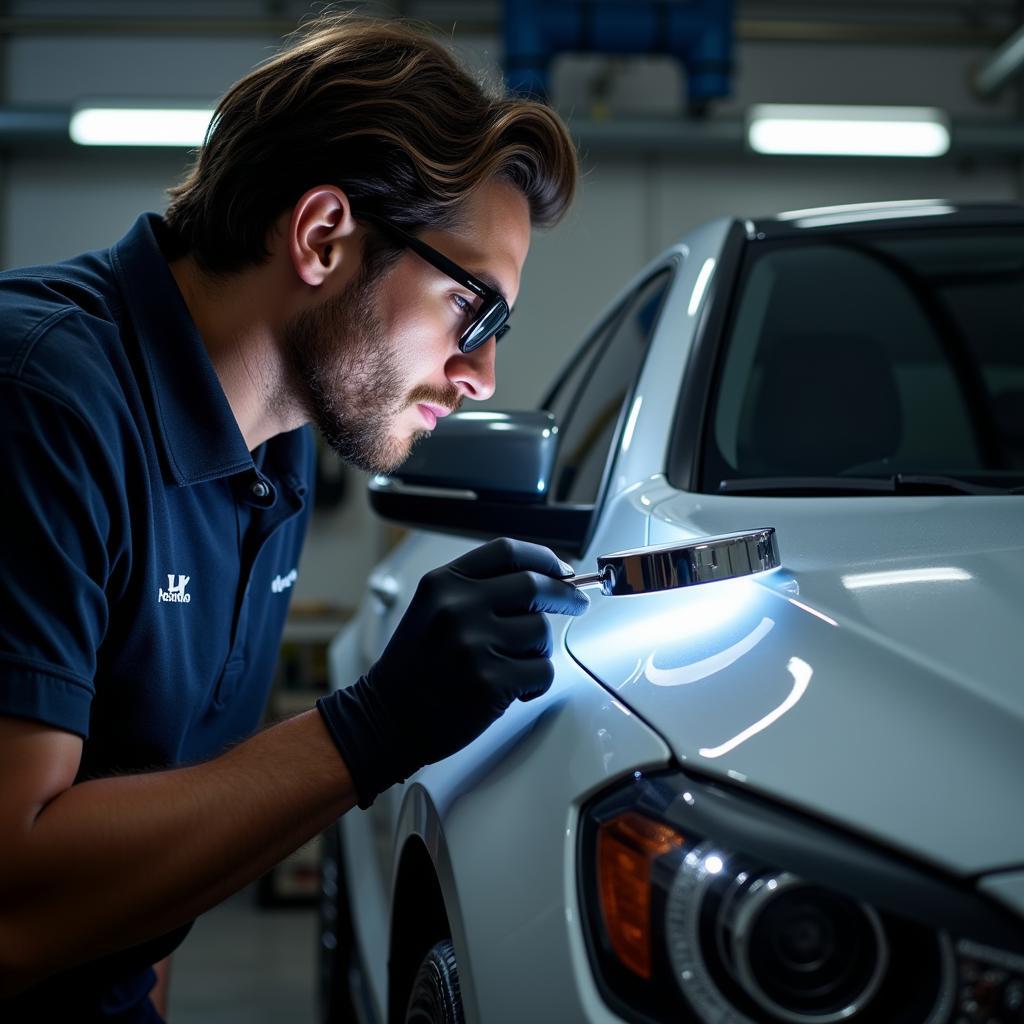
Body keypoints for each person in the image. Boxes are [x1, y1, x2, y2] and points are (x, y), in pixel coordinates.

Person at [0, 16, 587, 1021]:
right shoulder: (39, 398)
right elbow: (12, 897)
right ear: (322, 236)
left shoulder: (280, 451)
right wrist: (374, 724)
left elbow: (153, 841)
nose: (484, 374)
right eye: (473, 311)